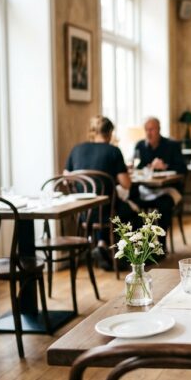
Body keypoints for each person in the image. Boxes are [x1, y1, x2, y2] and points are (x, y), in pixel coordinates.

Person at [65, 116, 135, 270]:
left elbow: (65, 179)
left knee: (102, 205)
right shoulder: (113, 151)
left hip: (82, 212)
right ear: (110, 132)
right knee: (132, 213)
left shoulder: (76, 149)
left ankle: (102, 245)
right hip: (107, 211)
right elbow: (126, 184)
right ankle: (128, 260)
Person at [133, 117, 187, 244]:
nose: (148, 133)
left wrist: (165, 166)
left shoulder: (172, 145)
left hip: (169, 189)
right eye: (146, 129)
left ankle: (161, 246)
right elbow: (137, 168)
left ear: (159, 129)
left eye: (151, 129)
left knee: (164, 204)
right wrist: (144, 168)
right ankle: (142, 244)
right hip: (146, 189)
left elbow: (183, 169)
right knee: (131, 201)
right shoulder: (140, 146)